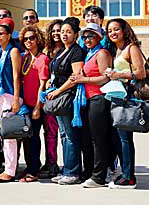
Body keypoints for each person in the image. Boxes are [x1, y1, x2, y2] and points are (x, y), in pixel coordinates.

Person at [45, 16, 91, 185]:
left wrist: (58, 90)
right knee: (64, 135)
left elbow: (75, 76)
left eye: (68, 32)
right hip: (58, 96)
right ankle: (67, 169)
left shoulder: (76, 51)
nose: (64, 35)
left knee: (70, 136)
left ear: (76, 34)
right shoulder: (62, 50)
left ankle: (73, 172)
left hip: (68, 97)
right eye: (62, 31)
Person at [104, 18, 146, 188]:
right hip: (118, 96)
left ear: (124, 30)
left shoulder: (131, 48)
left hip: (128, 97)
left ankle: (129, 177)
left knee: (125, 139)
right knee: (120, 138)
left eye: (116, 29)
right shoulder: (116, 49)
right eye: (109, 31)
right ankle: (126, 173)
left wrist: (118, 75)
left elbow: (141, 73)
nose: (113, 33)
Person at [70, 23, 113, 188]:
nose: (87, 39)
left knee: (98, 139)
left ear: (99, 37)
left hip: (99, 98)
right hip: (88, 99)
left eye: (91, 36)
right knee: (88, 139)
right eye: (85, 36)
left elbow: (105, 78)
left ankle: (99, 176)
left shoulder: (102, 53)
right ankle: (90, 172)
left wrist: (83, 79)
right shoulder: (90, 53)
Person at [0, 17, 23, 183]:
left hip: (11, 95)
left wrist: (16, 99)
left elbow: (16, 76)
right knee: (4, 133)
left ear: (9, 35)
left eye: (1, 34)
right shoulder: (0, 52)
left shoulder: (13, 51)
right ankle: (7, 167)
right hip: (0, 95)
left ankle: (10, 170)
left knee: (10, 134)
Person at [18, 24, 49, 183]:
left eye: (31, 38)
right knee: (26, 138)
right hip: (25, 104)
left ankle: (33, 170)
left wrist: (37, 106)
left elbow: (42, 84)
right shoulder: (25, 57)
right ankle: (29, 166)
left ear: (38, 39)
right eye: (25, 39)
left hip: (36, 105)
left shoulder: (43, 59)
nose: (28, 41)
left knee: (34, 137)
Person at [39, 19, 62, 178]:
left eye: (59, 30)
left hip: (63, 96)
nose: (56, 33)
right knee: (49, 132)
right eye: (53, 31)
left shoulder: (70, 49)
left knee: (64, 134)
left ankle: (60, 165)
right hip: (47, 96)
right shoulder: (47, 51)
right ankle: (50, 162)